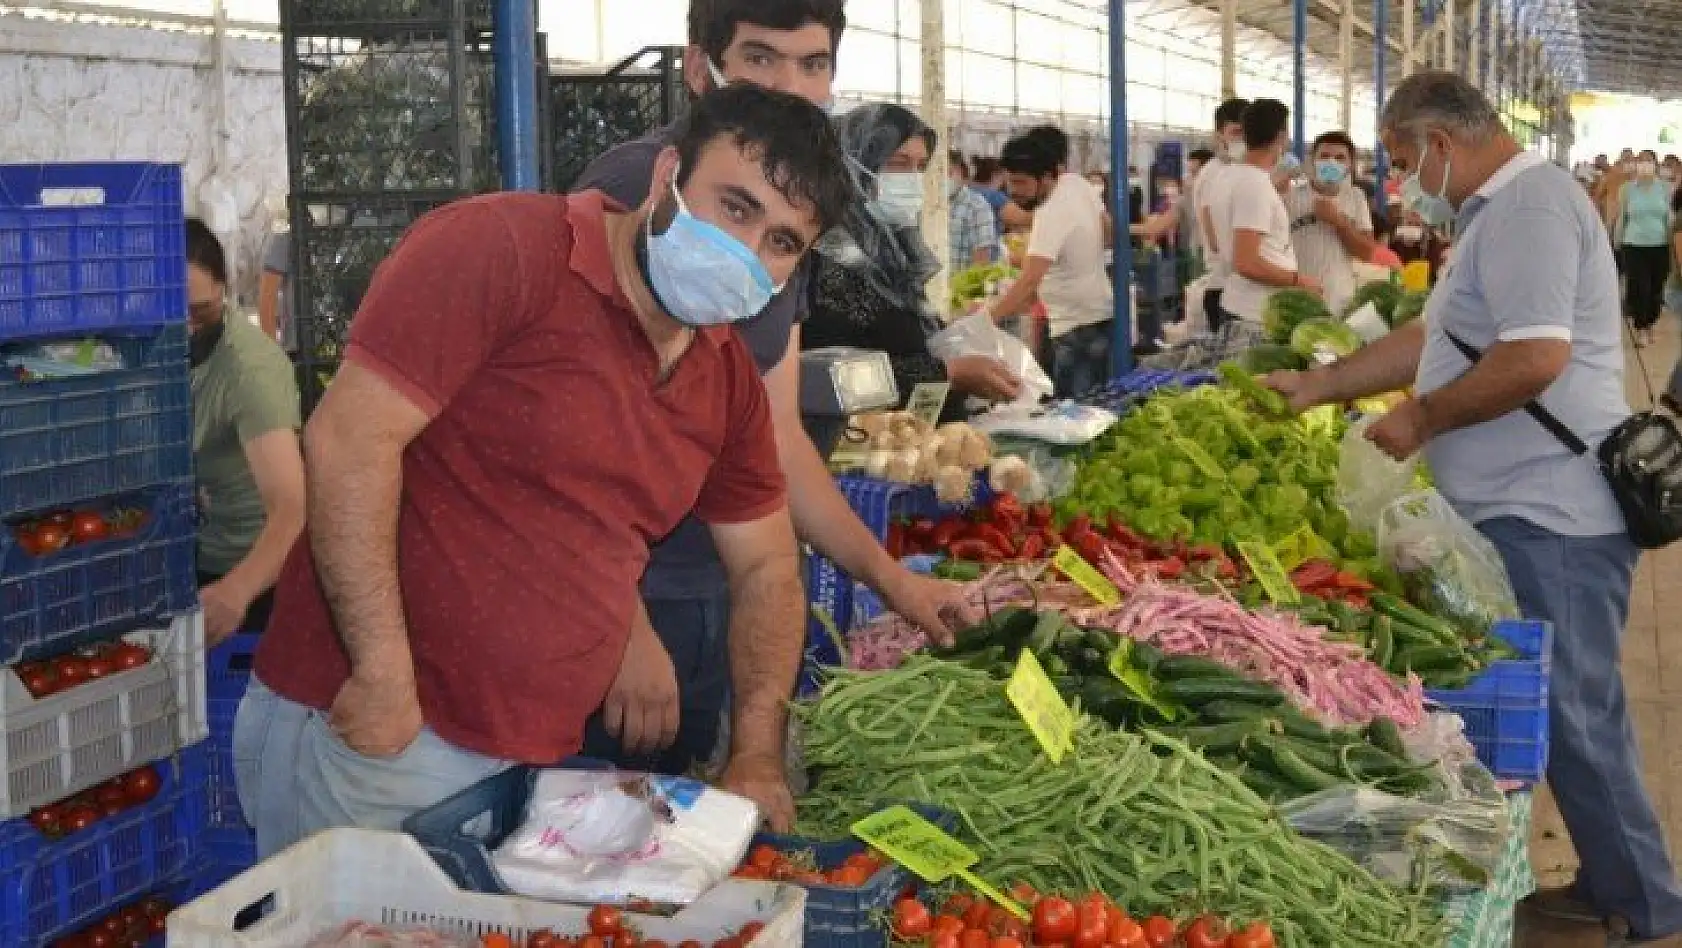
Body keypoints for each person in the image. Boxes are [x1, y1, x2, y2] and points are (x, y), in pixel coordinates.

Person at [234, 85, 857, 858]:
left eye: (782, 242)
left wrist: (757, 751)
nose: (749, 252)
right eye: (735, 208)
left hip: (533, 757)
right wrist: (383, 674)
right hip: (387, 734)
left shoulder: (722, 376)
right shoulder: (506, 251)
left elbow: (766, 566)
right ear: (667, 175)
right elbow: (346, 442)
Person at [1266, 71, 1682, 947]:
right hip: (1520, 509)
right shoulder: (1495, 215)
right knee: (1566, 710)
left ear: (1441, 144)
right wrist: (1323, 384)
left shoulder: (1531, 208)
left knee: (1576, 710)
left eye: (1402, 159)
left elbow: (1535, 357)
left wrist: (1422, 418)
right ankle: (1608, 879)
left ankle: (1645, 906)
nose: (1400, 179)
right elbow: (1435, 340)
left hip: (1555, 513)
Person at [567, 0, 974, 774]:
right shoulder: (641, 185)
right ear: (700, 69)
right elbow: (566, 429)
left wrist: (892, 582)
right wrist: (618, 620)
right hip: (609, 597)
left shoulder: (793, 211)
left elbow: (776, 434)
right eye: (759, 58)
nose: (789, 87)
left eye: (812, 64)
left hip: (714, 580)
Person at [804, 105, 1022, 417]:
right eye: (897, 164)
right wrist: (951, 372)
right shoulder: (824, 259)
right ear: (850, 165)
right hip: (857, 448)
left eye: (920, 167)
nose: (912, 180)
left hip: (913, 439)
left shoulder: (890, 249)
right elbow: (828, 377)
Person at [185, 220, 306, 645]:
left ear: (225, 287)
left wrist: (237, 592)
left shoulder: (249, 372)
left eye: (199, 311)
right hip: (186, 557)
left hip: (250, 576)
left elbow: (292, 509)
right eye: (170, 313)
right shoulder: (143, 356)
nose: (186, 327)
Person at [987, 129, 1113, 399]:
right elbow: (1107, 230)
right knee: (1096, 405)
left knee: (1077, 415)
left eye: (1021, 183)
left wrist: (988, 320)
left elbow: (1029, 280)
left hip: (1075, 328)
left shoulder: (1049, 212)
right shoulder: (1076, 184)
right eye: (1010, 183)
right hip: (1098, 314)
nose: (1014, 192)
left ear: (1046, 178)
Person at [1213, 99, 1318, 324]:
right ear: (1281, 137)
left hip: (1243, 304)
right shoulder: (1255, 184)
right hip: (1255, 313)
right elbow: (1247, 262)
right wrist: (1298, 280)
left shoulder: (1228, 176)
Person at [1282, 130, 1376, 312]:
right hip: (1297, 297)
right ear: (1313, 161)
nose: (1331, 162)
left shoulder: (1356, 197)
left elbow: (1366, 252)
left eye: (1340, 158)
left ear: (1350, 164)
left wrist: (1339, 222)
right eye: (1324, 156)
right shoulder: (1291, 197)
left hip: (1340, 299)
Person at [1195, 98, 1251, 333]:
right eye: (1236, 132)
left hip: (1239, 286)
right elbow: (1216, 238)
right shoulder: (1214, 174)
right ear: (1220, 135)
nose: (1242, 140)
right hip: (1223, 288)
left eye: (1247, 133)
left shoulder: (1237, 171)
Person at [1617, 151, 1674, 347]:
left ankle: (1650, 323)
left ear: (1655, 165)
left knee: (1656, 290)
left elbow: (1670, 218)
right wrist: (1617, 242)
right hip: (1634, 245)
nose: (1644, 164)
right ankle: (1641, 327)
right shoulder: (1627, 189)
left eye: (1648, 161)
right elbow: (1623, 217)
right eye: (1640, 161)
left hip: (1660, 246)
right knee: (1640, 287)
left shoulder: (1666, 188)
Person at [947, 149, 1000, 272]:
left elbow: (982, 261)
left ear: (961, 172)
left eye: (949, 173)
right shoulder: (925, 204)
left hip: (958, 287)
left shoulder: (976, 206)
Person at [257, 227, 294, 355]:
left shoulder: (351, 240)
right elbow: (267, 299)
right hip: (297, 349)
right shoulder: (286, 240)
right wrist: (272, 353)